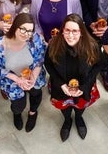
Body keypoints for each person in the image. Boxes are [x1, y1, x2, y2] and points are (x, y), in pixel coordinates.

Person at [45, 14, 101, 142]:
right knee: (64, 107)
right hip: (61, 87)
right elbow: (48, 64)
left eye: (75, 31)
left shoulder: (92, 46)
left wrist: (85, 86)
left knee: (80, 106)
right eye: (67, 30)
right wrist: (61, 84)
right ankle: (67, 120)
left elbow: (98, 66)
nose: (70, 35)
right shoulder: (54, 44)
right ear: (63, 30)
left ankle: (79, 118)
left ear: (81, 32)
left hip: (84, 86)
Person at [0, 13, 47, 132]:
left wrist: (33, 77)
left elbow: (40, 58)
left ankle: (32, 113)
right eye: (23, 29)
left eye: (30, 31)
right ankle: (17, 114)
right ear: (15, 26)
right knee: (18, 105)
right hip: (12, 80)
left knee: (36, 93)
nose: (26, 34)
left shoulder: (35, 39)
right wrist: (17, 79)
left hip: (33, 75)